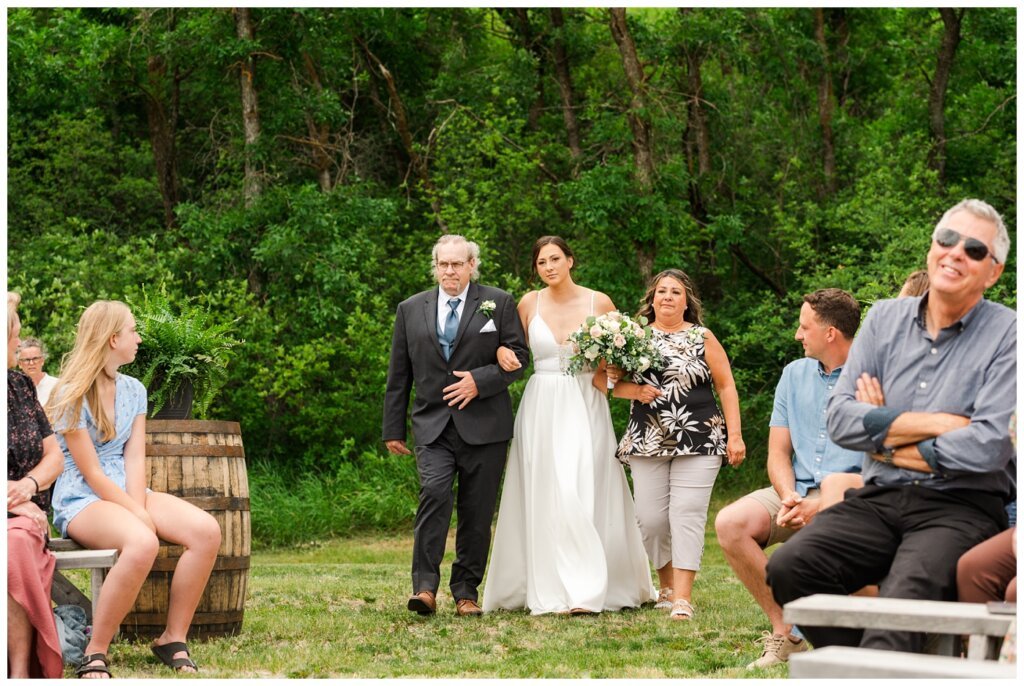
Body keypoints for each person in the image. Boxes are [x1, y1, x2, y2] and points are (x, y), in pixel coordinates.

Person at [766, 198, 1015, 653]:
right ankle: (872, 662)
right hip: (878, 498)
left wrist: (881, 437)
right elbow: (840, 418)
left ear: (993, 271)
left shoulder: (1009, 335)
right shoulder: (884, 318)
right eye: (947, 239)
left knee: (902, 606)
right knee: (790, 567)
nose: (956, 252)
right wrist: (939, 423)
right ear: (931, 249)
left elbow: (988, 447)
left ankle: (881, 660)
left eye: (975, 249)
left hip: (960, 505)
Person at [482, 236, 655, 615]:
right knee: (546, 487)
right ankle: (550, 584)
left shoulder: (599, 302)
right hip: (542, 403)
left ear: (571, 260)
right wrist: (500, 350)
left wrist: (615, 370)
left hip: (585, 401)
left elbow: (623, 354)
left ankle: (590, 587)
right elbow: (509, 346)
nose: (549, 267)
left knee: (584, 483)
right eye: (542, 262)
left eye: (555, 259)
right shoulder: (529, 303)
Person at [49, 301, 222, 677]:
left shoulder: (135, 389)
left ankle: (172, 638)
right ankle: (95, 650)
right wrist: (137, 513)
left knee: (206, 531)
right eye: (133, 331)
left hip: (127, 487)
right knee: (143, 541)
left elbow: (134, 458)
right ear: (113, 339)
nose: (139, 338)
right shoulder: (71, 394)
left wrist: (139, 502)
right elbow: (91, 472)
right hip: (83, 496)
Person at [714, 288, 863, 668]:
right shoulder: (793, 374)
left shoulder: (870, 379)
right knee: (730, 523)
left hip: (849, 498)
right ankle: (786, 631)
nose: (798, 335)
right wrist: (788, 495)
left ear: (830, 333)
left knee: (823, 551)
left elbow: (877, 467)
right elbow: (778, 452)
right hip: (794, 490)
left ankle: (846, 637)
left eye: (804, 326)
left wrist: (823, 503)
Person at [383, 234, 528, 617]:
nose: (450, 270)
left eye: (458, 263)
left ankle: (466, 592)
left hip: (486, 427)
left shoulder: (498, 302)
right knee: (434, 493)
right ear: (436, 266)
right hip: (432, 425)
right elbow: (400, 374)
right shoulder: (410, 309)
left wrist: (480, 381)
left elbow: (519, 359)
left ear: (471, 266)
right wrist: (392, 428)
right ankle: (424, 588)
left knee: (477, 510)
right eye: (443, 264)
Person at [610, 269, 745, 621]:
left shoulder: (703, 337)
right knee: (651, 519)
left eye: (675, 292)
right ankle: (665, 586)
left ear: (687, 302)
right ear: (652, 300)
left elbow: (726, 386)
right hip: (647, 439)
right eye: (661, 291)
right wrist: (634, 391)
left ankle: (683, 598)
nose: (668, 297)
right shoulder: (632, 337)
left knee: (686, 514)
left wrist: (736, 435)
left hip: (700, 437)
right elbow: (603, 381)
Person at [7, 292, 64, 678]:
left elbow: (55, 457)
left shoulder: (20, 388)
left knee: (13, 545)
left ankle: (20, 670)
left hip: (24, 514)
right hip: (11, 508)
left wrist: (28, 486)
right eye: (14, 337)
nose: (19, 345)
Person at [17, 337, 59, 406]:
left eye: (35, 358)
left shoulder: (57, 385)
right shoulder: (14, 389)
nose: (31, 363)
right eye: (27, 360)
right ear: (20, 364)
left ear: (42, 361)